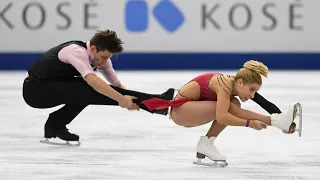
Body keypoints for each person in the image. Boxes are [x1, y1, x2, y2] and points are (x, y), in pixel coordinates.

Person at [22, 29, 174, 145]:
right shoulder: (76, 51)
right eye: (104, 57)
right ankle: (156, 103)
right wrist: (121, 99)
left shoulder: (102, 60)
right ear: (93, 49)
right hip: (35, 91)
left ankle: (55, 126)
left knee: (87, 91)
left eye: (108, 57)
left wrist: (130, 101)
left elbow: (117, 85)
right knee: (88, 87)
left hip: (53, 88)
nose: (104, 61)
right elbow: (93, 81)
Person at [141, 60, 299, 166]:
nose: (251, 95)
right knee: (228, 107)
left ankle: (206, 144)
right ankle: (276, 121)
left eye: (255, 91)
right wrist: (250, 124)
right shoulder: (224, 84)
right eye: (251, 90)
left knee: (234, 103)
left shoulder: (239, 85)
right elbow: (222, 116)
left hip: (193, 112)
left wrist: (284, 124)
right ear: (240, 82)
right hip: (181, 111)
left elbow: (264, 103)